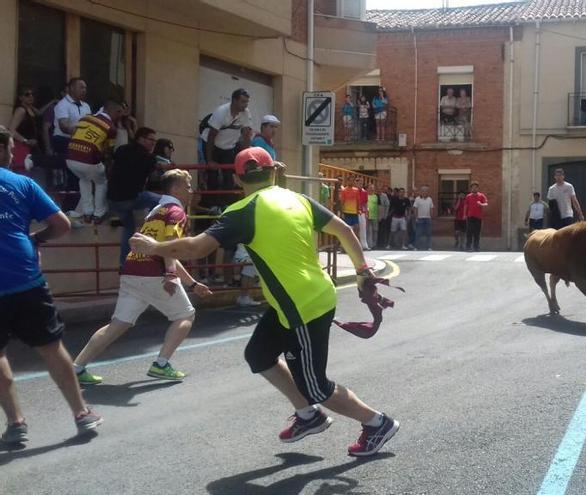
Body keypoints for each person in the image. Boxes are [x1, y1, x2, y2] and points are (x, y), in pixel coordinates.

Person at [129, 146, 400, 457]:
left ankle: (377, 422)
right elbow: (344, 230)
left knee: (315, 386)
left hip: (302, 307)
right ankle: (308, 416)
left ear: (238, 178)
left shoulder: (244, 210)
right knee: (259, 354)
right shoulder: (297, 199)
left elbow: (196, 248)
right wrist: (363, 271)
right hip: (300, 301)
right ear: (273, 171)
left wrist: (154, 246)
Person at [0, 127, 103, 443]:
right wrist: (36, 239)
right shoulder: (21, 184)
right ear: (4, 149)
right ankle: (82, 414)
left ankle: (16, 423)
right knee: (50, 347)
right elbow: (61, 225)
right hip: (25, 278)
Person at [74, 170, 211, 385]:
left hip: (132, 270)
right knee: (185, 316)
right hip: (154, 274)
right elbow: (171, 248)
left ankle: (78, 367)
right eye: (187, 186)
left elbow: (164, 250)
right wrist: (169, 274)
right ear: (175, 189)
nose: (191, 190)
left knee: (118, 324)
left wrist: (191, 283)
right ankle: (162, 364)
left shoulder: (155, 211)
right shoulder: (176, 212)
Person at [107, 127, 171, 265]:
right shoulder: (147, 157)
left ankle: (123, 264)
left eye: (154, 141)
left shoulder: (121, 150)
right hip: (131, 198)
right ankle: (153, 225)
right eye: (151, 140)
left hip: (113, 199)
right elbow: (156, 174)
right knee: (165, 201)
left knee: (128, 227)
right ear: (140, 139)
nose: (153, 143)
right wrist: (161, 166)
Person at [66, 99, 123, 225]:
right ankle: (98, 213)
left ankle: (87, 213)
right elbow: (109, 151)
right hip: (89, 160)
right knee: (101, 182)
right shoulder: (111, 128)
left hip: (70, 157)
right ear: (116, 111)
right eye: (120, 113)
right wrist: (109, 167)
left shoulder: (85, 118)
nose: (120, 117)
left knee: (84, 179)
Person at [201, 88, 253, 190]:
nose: (245, 105)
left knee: (229, 177)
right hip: (212, 145)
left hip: (229, 147)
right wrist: (210, 160)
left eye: (247, 102)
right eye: (243, 102)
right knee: (212, 175)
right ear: (234, 100)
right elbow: (211, 136)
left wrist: (246, 158)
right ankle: (211, 204)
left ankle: (226, 203)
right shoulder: (221, 112)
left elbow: (246, 135)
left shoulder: (246, 113)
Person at [52, 78, 91, 158]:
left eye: (85, 88)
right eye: (81, 87)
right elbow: (64, 126)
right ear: (72, 88)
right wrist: (80, 133)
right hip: (63, 139)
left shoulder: (86, 106)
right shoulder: (62, 105)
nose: (84, 90)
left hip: (80, 141)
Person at [8, 86, 41, 173]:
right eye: (27, 94)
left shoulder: (31, 109)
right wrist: (25, 140)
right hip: (22, 147)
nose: (31, 96)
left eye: (32, 94)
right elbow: (11, 129)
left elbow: (40, 113)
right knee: (23, 171)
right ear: (20, 97)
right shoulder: (21, 110)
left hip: (32, 148)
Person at [464, 182, 488, 252]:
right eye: (473, 187)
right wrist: (464, 215)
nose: (474, 188)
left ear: (478, 188)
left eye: (475, 187)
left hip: (478, 217)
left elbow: (486, 203)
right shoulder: (468, 196)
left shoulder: (481, 196)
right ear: (471, 188)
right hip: (470, 217)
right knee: (469, 232)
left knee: (477, 232)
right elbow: (466, 205)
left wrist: (481, 204)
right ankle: (468, 247)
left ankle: (476, 247)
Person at [339, 176, 362, 245]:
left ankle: (357, 245)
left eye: (352, 181)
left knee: (357, 229)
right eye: (350, 180)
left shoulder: (356, 190)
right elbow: (342, 202)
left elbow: (358, 201)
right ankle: (345, 245)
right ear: (347, 181)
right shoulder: (344, 190)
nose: (351, 182)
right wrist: (342, 212)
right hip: (347, 212)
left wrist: (359, 209)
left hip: (354, 212)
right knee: (347, 230)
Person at [413, 186, 434, 250]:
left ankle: (429, 247)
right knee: (418, 233)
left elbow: (431, 208)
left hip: (428, 218)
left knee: (429, 233)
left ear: (428, 192)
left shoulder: (430, 199)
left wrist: (431, 217)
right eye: (423, 191)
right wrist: (416, 217)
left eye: (426, 191)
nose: (425, 192)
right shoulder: (417, 199)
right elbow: (415, 208)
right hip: (420, 218)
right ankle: (416, 247)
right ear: (421, 192)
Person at [366, 183, 380, 249]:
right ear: (367, 188)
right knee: (368, 230)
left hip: (375, 215)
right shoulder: (365, 195)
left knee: (375, 230)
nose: (372, 189)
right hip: (367, 215)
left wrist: (379, 215)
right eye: (370, 187)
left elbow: (378, 206)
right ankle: (369, 244)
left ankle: (375, 244)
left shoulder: (376, 196)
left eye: (373, 188)